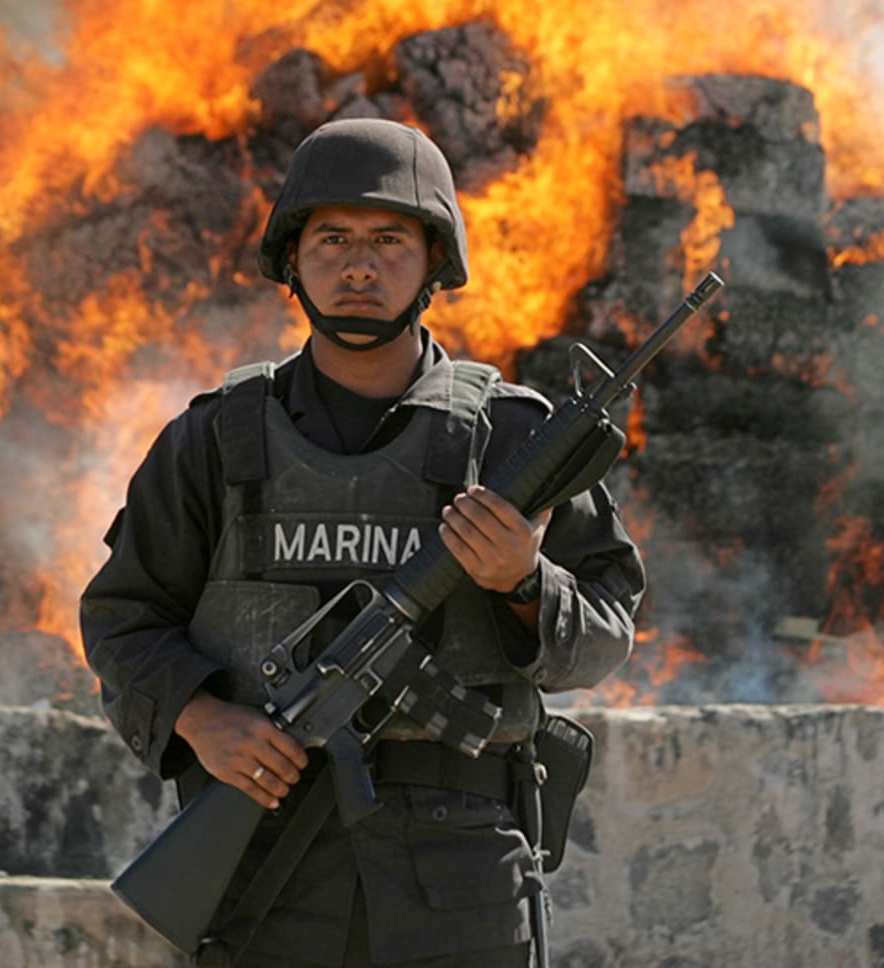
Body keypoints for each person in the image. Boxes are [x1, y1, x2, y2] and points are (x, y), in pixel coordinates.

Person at [80, 117, 645, 966]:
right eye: (332, 239)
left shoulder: (515, 442)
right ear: (293, 261)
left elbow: (606, 631)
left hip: (463, 883)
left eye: (389, 240)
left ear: (432, 264)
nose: (358, 264)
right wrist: (202, 721)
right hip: (267, 873)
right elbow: (123, 619)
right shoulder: (212, 444)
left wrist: (525, 584)